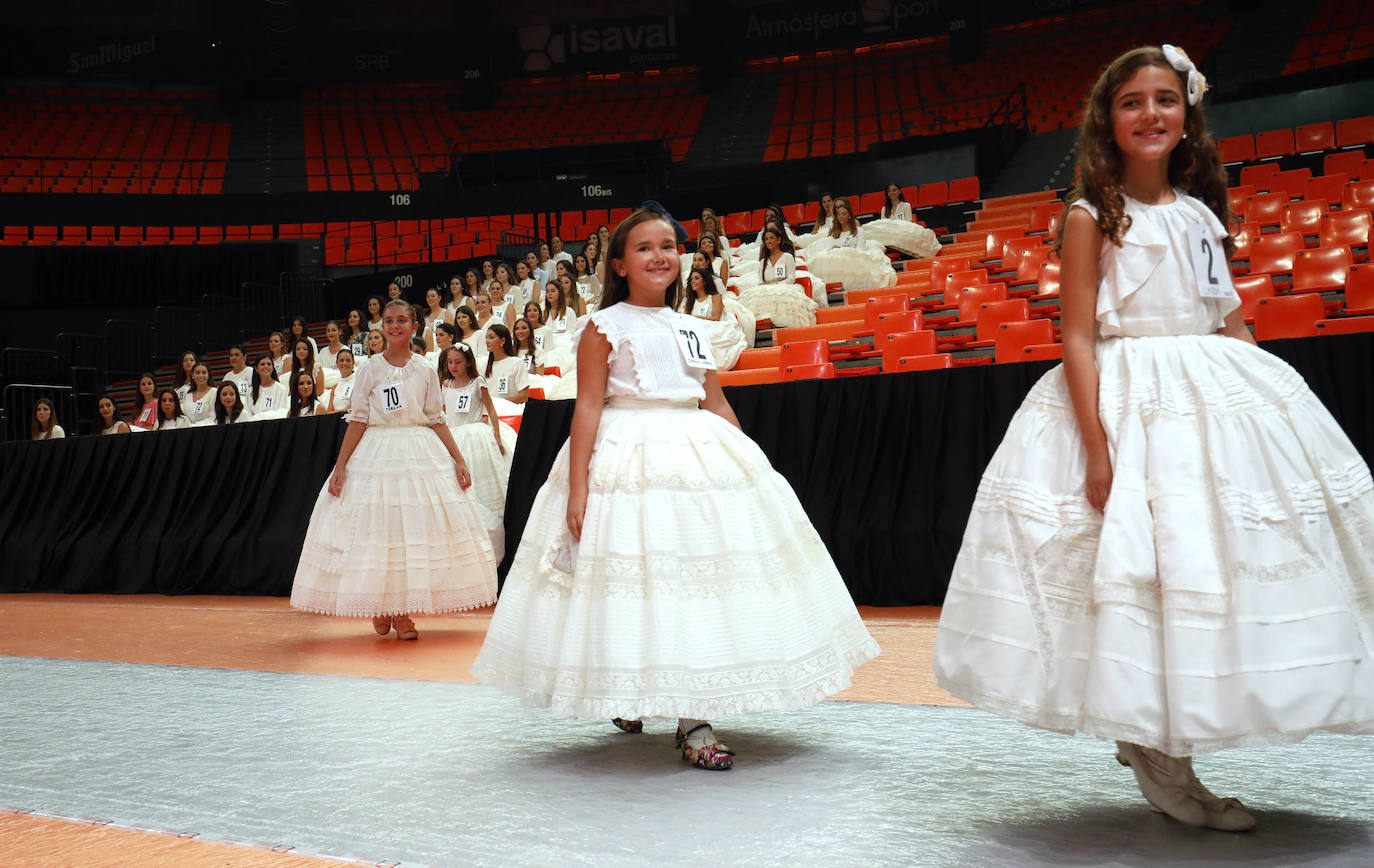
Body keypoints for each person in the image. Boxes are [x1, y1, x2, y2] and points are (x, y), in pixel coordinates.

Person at [931, 45, 1374, 834]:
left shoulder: (1201, 213)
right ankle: (1155, 749)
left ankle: (1174, 746)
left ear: (1188, 115)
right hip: (1129, 394)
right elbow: (1075, 337)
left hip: (1207, 390)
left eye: (1165, 99)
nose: (1150, 115)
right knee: (1134, 576)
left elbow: (1226, 313)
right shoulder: (1090, 215)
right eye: (1132, 101)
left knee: (1202, 573)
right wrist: (1099, 450)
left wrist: (1266, 405)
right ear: (1109, 118)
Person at [471, 209, 878, 770]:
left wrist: (749, 469)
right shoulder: (603, 326)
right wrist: (578, 487)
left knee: (691, 581)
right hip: (627, 455)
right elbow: (587, 406)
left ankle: (692, 718)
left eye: (668, 245)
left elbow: (714, 399)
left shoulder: (692, 327)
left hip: (696, 451)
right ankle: (635, 687)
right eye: (643, 248)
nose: (660, 255)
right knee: (636, 580)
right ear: (619, 263)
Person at [290, 299, 499, 640]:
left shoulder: (426, 369)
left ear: (415, 326)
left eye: (402, 320)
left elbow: (436, 418)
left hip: (418, 453)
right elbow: (357, 419)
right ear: (382, 327)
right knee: (379, 532)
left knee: (410, 534)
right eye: (389, 320)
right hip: (377, 451)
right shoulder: (370, 368)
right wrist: (340, 467)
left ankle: (402, 613)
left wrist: (459, 459)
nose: (395, 326)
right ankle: (382, 605)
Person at [439, 344, 516, 541]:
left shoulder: (477, 382)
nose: (454, 366)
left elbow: (491, 410)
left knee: (481, 482)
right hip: (454, 435)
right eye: (450, 362)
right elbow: (445, 414)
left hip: (475, 436)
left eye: (458, 362)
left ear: (468, 363)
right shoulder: (446, 385)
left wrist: (497, 436)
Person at [737, 227, 817, 328]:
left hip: (786, 286)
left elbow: (791, 278)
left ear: (778, 239)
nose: (768, 241)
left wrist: (777, 285)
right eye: (766, 239)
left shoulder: (787, 257)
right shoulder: (763, 261)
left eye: (771, 238)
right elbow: (761, 280)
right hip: (767, 288)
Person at [683, 266, 747, 370]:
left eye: (696, 278)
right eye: (691, 279)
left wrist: (696, 318)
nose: (693, 281)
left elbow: (716, 318)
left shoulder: (715, 297)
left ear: (704, 281)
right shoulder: (690, 302)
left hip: (714, 327)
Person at [863, 183, 942, 258]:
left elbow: (909, 223)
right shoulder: (884, 209)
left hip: (903, 232)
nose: (892, 193)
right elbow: (883, 225)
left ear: (899, 191)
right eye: (889, 191)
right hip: (889, 234)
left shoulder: (906, 206)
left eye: (894, 190)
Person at [482, 323, 529, 414]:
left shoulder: (516, 363)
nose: (487, 341)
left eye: (491, 338)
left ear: (502, 340)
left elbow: (524, 395)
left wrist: (501, 404)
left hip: (509, 409)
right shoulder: (484, 364)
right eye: (486, 338)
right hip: (489, 410)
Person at [246, 353, 288, 419]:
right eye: (262, 364)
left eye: (269, 364)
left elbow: (281, 413)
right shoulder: (250, 391)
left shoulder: (281, 389)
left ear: (273, 367)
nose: (266, 366)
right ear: (256, 369)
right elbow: (248, 413)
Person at [325, 349, 358, 414]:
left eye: (348, 361)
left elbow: (354, 407)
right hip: (336, 421)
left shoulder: (358, 382)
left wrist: (336, 413)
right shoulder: (335, 387)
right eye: (341, 360)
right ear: (337, 363)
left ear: (353, 363)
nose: (344, 363)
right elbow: (329, 412)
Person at [421, 287, 452, 352]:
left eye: (432, 296)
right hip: (428, 346)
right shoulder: (425, 316)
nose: (430, 299)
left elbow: (451, 331)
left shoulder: (446, 312)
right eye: (428, 297)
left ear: (439, 298)